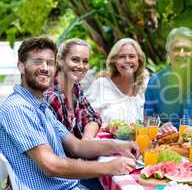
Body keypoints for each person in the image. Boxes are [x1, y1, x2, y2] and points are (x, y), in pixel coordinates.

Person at [0, 37, 139, 190]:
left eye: (49, 63)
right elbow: (51, 165)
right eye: (37, 62)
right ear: (21, 66)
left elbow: (77, 146)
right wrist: (108, 167)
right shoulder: (18, 108)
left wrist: (120, 146)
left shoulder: (40, 106)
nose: (45, 68)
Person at [44, 38, 101, 140]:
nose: (81, 66)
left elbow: (93, 117)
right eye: (75, 60)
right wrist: (84, 147)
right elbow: (59, 144)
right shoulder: (51, 96)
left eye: (85, 61)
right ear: (60, 60)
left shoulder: (75, 87)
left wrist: (87, 138)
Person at [86, 38, 147, 124]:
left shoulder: (145, 85)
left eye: (132, 56)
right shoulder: (101, 84)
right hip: (105, 137)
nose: (127, 60)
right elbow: (86, 117)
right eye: (121, 56)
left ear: (139, 60)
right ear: (114, 61)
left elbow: (153, 120)